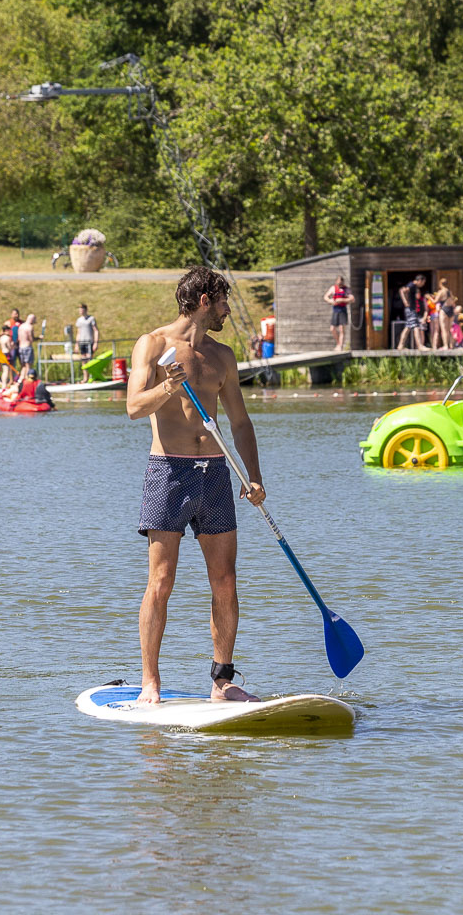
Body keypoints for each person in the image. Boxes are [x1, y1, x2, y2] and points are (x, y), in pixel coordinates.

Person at [125, 266, 266, 705]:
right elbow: (133, 407)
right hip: (169, 470)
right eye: (223, 300)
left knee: (225, 580)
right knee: (161, 579)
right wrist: (168, 387)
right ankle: (151, 681)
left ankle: (222, 680)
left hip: (217, 474)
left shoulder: (222, 356)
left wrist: (255, 475)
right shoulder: (153, 344)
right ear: (205, 299)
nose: (227, 309)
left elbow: (240, 423)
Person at [396, 276, 426, 350]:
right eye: (423, 282)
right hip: (410, 309)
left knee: (407, 327)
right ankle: (419, 346)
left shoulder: (412, 285)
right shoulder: (412, 285)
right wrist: (405, 301)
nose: (423, 284)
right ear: (420, 280)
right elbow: (402, 290)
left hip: (410, 309)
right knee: (416, 326)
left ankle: (400, 346)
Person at [324, 276, 354, 350]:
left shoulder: (346, 289)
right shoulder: (333, 288)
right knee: (332, 328)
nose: (339, 284)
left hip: (342, 309)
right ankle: (338, 343)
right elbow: (325, 297)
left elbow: (352, 299)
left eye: (341, 283)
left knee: (341, 329)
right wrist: (330, 301)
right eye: (338, 283)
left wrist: (341, 300)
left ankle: (340, 346)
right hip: (335, 309)